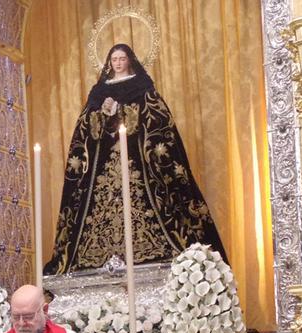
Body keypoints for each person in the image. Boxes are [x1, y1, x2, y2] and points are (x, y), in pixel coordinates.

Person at [43, 43, 226, 275]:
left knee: (150, 200)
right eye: (114, 59)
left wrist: (125, 111)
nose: (117, 63)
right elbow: (86, 126)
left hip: (138, 161)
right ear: (109, 62)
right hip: (105, 162)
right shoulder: (99, 90)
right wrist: (103, 112)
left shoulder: (142, 86)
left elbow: (156, 118)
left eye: (121, 58)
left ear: (129, 60)